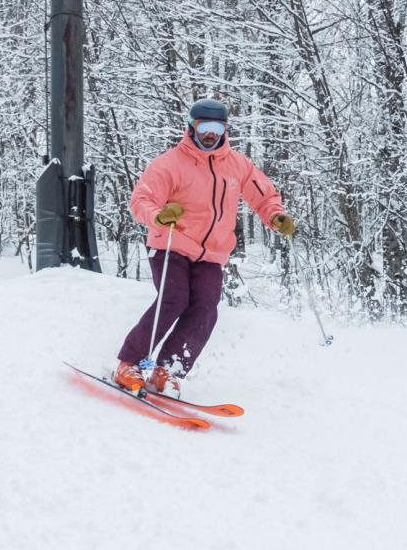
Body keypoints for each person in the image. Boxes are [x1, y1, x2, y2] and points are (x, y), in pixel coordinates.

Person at [113, 98, 297, 396]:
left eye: (217, 127)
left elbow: (263, 196)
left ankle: (168, 370)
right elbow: (141, 200)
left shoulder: (237, 166)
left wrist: (276, 216)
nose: (210, 134)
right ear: (191, 127)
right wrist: (158, 216)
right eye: (204, 127)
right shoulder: (170, 164)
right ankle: (128, 363)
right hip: (170, 245)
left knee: (205, 308)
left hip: (211, 253)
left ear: (225, 129)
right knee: (173, 299)